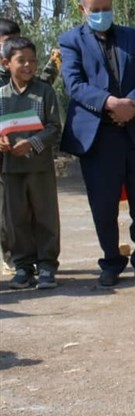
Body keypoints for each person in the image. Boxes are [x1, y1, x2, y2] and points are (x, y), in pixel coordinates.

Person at [59, 0, 135, 287]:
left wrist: (132, 102)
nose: (102, 15)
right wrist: (109, 103)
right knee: (103, 205)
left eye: (107, 9)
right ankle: (111, 262)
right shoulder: (71, 41)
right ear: (83, 9)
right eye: (96, 10)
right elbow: (74, 83)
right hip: (99, 136)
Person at [0, 37, 61, 290]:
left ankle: (47, 265)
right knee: (16, 219)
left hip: (40, 168)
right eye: (21, 60)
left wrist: (33, 142)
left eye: (33, 60)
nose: (28, 65)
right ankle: (23, 266)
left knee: (45, 216)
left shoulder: (44, 91)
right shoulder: (1, 95)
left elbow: (55, 128)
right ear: (6, 63)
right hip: (10, 170)